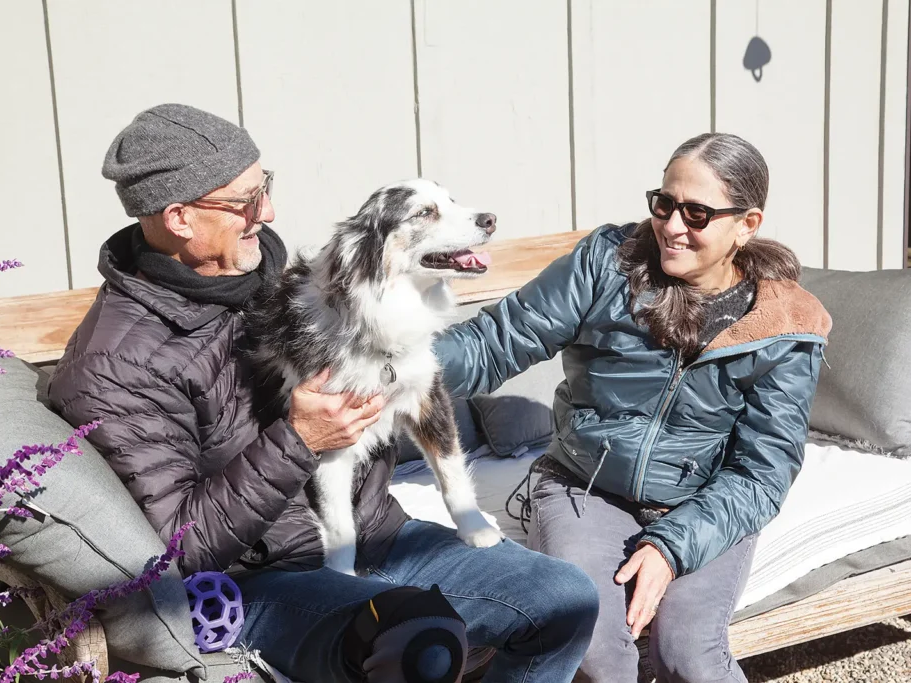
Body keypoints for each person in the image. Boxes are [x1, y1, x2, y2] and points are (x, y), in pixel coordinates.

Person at [47, 103, 598, 683]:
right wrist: (299, 439)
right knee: (416, 642)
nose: (270, 212)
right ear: (180, 217)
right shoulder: (118, 364)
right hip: (261, 578)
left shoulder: (280, 279)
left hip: (378, 533)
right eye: (246, 202)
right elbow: (180, 546)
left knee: (564, 600)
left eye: (266, 188)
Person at [436, 132, 832, 683]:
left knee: (687, 654)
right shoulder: (609, 264)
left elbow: (764, 472)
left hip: (703, 503)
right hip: (585, 485)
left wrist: (669, 548)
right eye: (664, 204)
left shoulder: (785, 322)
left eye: (696, 213)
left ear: (747, 224)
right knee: (594, 644)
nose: (671, 226)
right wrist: (390, 368)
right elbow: (499, 340)